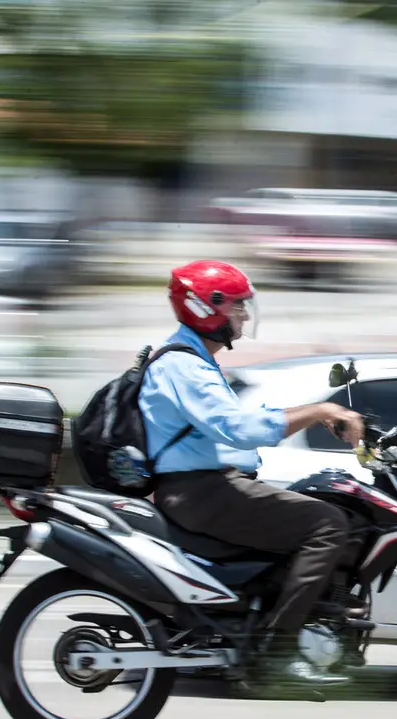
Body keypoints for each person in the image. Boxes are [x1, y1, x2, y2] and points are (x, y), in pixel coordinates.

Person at [139, 259, 365, 688]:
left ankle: (265, 626)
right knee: (327, 524)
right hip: (201, 492)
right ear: (207, 307)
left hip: (209, 487)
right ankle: (278, 652)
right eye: (237, 306)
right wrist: (319, 409)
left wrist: (314, 416)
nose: (244, 314)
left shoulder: (193, 360)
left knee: (320, 506)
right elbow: (236, 429)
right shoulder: (183, 365)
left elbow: (235, 421)